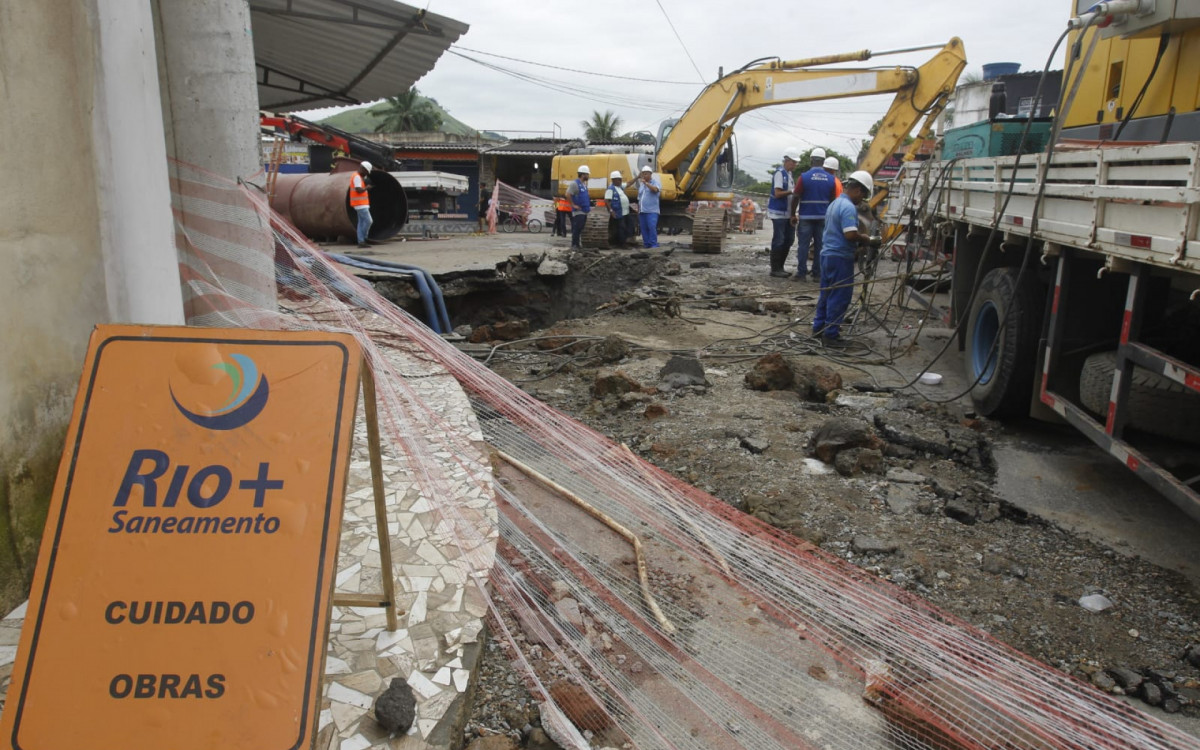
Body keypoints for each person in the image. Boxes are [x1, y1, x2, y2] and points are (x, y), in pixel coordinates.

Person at [812, 170, 880, 347]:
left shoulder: (834, 203)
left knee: (826, 294)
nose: (862, 200)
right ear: (858, 190)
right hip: (840, 257)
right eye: (863, 195)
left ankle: (818, 329)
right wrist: (866, 239)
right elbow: (850, 234)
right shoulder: (848, 207)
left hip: (827, 255)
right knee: (840, 296)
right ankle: (831, 336)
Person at [790, 148, 839, 281]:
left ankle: (801, 274)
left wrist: (792, 214)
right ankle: (817, 274)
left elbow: (795, 196)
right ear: (823, 162)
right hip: (823, 218)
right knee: (820, 246)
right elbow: (833, 200)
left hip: (806, 217)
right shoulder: (831, 179)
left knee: (803, 246)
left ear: (811, 160)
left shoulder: (804, 177)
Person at [767, 147, 801, 277]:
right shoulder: (780, 173)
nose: (795, 165)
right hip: (778, 213)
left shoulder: (789, 175)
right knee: (779, 239)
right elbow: (777, 193)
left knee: (789, 239)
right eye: (793, 162)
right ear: (787, 161)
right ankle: (775, 268)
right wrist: (792, 191)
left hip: (787, 213)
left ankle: (780, 266)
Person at [565, 165, 591, 248]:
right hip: (578, 211)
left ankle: (577, 244)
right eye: (587, 174)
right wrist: (573, 205)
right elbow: (568, 194)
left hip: (584, 210)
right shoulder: (575, 184)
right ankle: (574, 245)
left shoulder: (584, 185)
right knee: (576, 228)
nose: (588, 176)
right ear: (583, 174)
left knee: (580, 228)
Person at [636, 165, 662, 248]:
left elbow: (655, 190)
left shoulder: (655, 183)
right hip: (642, 211)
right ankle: (646, 244)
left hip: (652, 211)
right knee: (644, 228)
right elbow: (639, 198)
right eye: (643, 174)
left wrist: (646, 183)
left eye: (646, 174)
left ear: (650, 174)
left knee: (651, 227)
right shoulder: (641, 186)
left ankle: (653, 244)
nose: (644, 175)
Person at [607, 170, 634, 246]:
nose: (620, 181)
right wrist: (611, 211)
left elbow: (629, 184)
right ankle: (622, 243)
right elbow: (607, 200)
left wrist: (637, 177)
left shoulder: (620, 187)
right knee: (621, 227)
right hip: (618, 212)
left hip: (625, 212)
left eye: (620, 179)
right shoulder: (610, 189)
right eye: (619, 179)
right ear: (613, 180)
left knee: (629, 225)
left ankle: (625, 240)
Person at [351, 161, 373, 248]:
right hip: (360, 204)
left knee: (361, 223)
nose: (367, 174)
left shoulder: (357, 176)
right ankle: (364, 238)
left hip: (359, 204)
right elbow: (358, 190)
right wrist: (367, 188)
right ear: (363, 169)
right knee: (369, 221)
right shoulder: (357, 177)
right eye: (367, 171)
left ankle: (361, 242)